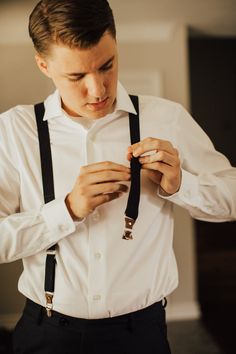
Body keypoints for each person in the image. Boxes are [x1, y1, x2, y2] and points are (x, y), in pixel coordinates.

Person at [0, 0, 236, 353]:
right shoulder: (14, 130)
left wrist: (181, 186)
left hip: (140, 335)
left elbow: (231, 198)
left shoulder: (167, 117)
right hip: (46, 335)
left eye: (107, 66)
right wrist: (66, 210)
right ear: (44, 65)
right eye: (76, 76)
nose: (97, 90)